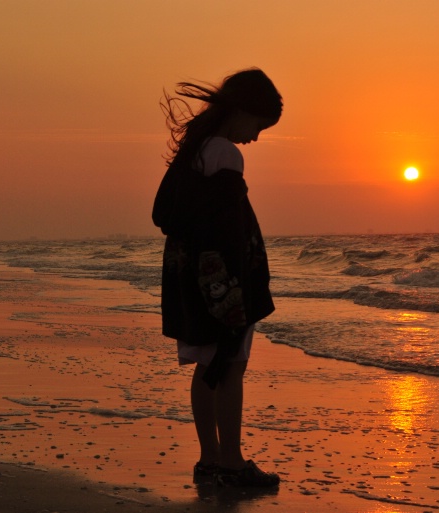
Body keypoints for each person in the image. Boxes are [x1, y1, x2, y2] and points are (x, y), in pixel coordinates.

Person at [152, 68, 282, 488]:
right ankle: (232, 460)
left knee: (207, 367)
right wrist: (235, 291)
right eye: (258, 126)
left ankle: (210, 457)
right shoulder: (225, 152)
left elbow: (163, 214)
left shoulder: (194, 150)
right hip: (222, 281)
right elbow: (228, 229)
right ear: (242, 111)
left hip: (191, 277)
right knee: (231, 366)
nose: (256, 138)